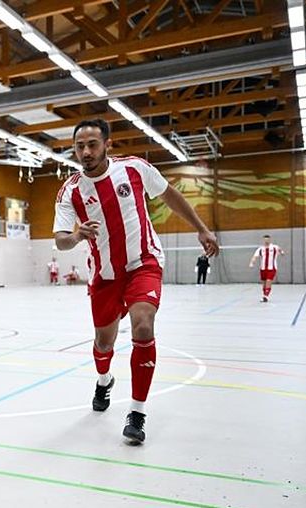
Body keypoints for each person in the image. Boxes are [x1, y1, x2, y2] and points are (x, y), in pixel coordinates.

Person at [53, 118, 218, 444]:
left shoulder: (134, 169)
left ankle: (137, 412)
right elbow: (60, 240)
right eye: (79, 146)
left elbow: (169, 195)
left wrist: (201, 227)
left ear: (108, 145)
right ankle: (104, 380)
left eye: (92, 144)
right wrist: (75, 236)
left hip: (143, 263)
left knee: (143, 325)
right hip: (104, 276)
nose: (85, 152)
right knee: (104, 343)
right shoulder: (70, 191)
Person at [249, 234, 284, 302]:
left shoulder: (274, 247)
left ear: (270, 239)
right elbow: (255, 256)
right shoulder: (260, 249)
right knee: (264, 283)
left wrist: (282, 252)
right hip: (263, 268)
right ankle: (264, 295)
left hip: (272, 268)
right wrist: (252, 263)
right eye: (265, 239)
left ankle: (266, 296)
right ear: (263, 240)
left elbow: (280, 249)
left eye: (267, 239)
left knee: (268, 281)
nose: (266, 240)